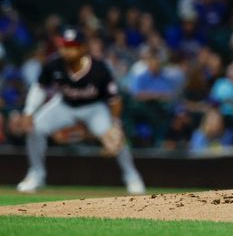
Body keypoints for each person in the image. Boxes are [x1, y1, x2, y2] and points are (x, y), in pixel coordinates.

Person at [16, 27, 145, 194]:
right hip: (64, 105)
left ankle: (132, 176)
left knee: (115, 138)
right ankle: (36, 174)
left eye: (71, 46)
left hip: (94, 109)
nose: (66, 50)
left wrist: (115, 124)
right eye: (64, 45)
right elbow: (40, 87)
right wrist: (29, 111)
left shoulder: (99, 69)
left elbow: (115, 100)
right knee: (34, 128)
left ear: (82, 48)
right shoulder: (54, 63)